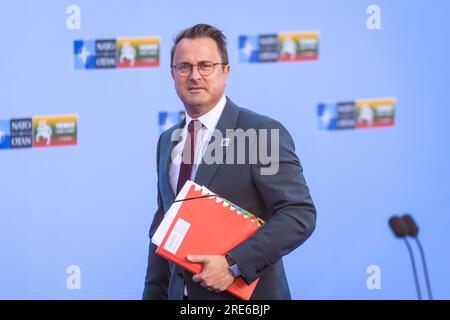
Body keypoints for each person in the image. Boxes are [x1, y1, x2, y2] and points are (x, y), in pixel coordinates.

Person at [142, 23, 316, 300]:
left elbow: (298, 215)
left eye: (206, 65)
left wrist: (234, 265)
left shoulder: (260, 133)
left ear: (226, 72)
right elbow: (163, 226)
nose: (194, 75)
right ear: (173, 75)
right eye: (184, 67)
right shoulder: (168, 140)